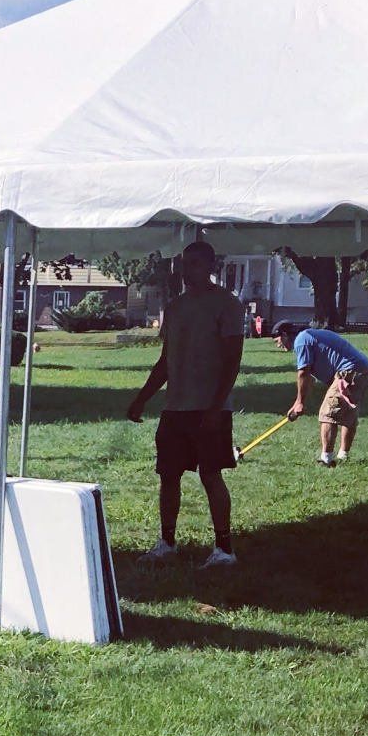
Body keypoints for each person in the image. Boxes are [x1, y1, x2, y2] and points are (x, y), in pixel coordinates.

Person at [126, 239, 245, 567]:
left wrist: (215, 407)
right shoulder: (175, 307)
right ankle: (166, 541)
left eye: (194, 263)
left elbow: (232, 359)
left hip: (211, 409)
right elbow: (166, 360)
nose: (186, 270)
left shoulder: (227, 305)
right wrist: (142, 399)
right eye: (183, 263)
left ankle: (224, 548)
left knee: (210, 474)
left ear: (210, 267)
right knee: (168, 475)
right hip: (175, 408)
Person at [275, 320, 368, 465]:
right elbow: (309, 379)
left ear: (284, 335)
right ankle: (343, 456)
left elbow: (303, 373)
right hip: (363, 370)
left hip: (348, 371)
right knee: (347, 414)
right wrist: (301, 401)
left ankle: (326, 459)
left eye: (277, 340)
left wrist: (299, 402)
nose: (278, 345)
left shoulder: (301, 340)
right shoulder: (310, 337)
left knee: (327, 414)